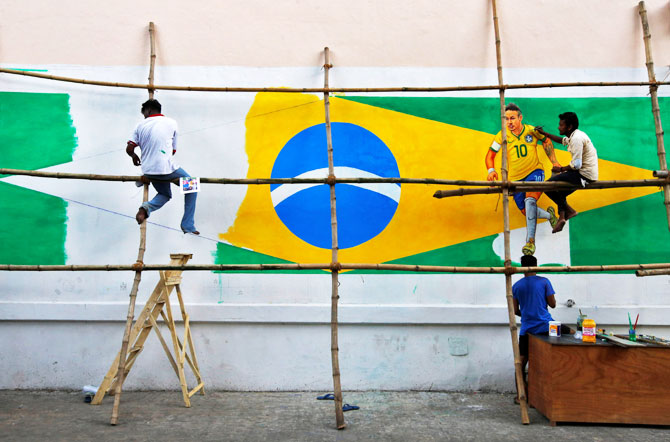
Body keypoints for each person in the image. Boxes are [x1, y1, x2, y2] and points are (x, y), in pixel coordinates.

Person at [485, 103, 561, 256]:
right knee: (527, 211)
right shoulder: (502, 135)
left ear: (520, 118)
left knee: (530, 201)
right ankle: (549, 216)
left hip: (534, 172)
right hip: (515, 180)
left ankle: (530, 242)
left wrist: (554, 162)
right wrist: (491, 171)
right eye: (506, 119)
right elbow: (490, 155)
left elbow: (546, 141)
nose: (509, 122)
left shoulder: (531, 131)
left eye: (512, 118)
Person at [126, 99, 199, 235]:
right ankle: (187, 225)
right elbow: (173, 151)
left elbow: (130, 149)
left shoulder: (140, 126)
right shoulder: (172, 123)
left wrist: (134, 157)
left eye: (144, 114)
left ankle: (145, 208)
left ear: (148, 110)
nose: (144, 117)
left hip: (148, 170)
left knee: (165, 194)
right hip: (165, 169)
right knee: (192, 187)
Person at [513, 254, 572, 403]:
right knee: (572, 333)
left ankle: (522, 394)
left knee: (521, 362)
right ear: (536, 266)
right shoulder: (544, 282)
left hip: (527, 328)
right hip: (547, 325)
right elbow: (552, 304)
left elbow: (515, 310)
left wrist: (528, 313)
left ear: (521, 268)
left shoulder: (516, 286)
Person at [536, 112, 598, 233]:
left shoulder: (576, 139)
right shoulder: (574, 136)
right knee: (558, 192)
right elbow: (562, 140)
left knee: (547, 185)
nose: (559, 127)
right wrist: (545, 134)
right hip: (583, 173)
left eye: (561, 125)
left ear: (569, 127)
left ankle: (566, 213)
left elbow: (577, 165)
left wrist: (561, 169)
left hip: (583, 175)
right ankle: (564, 215)